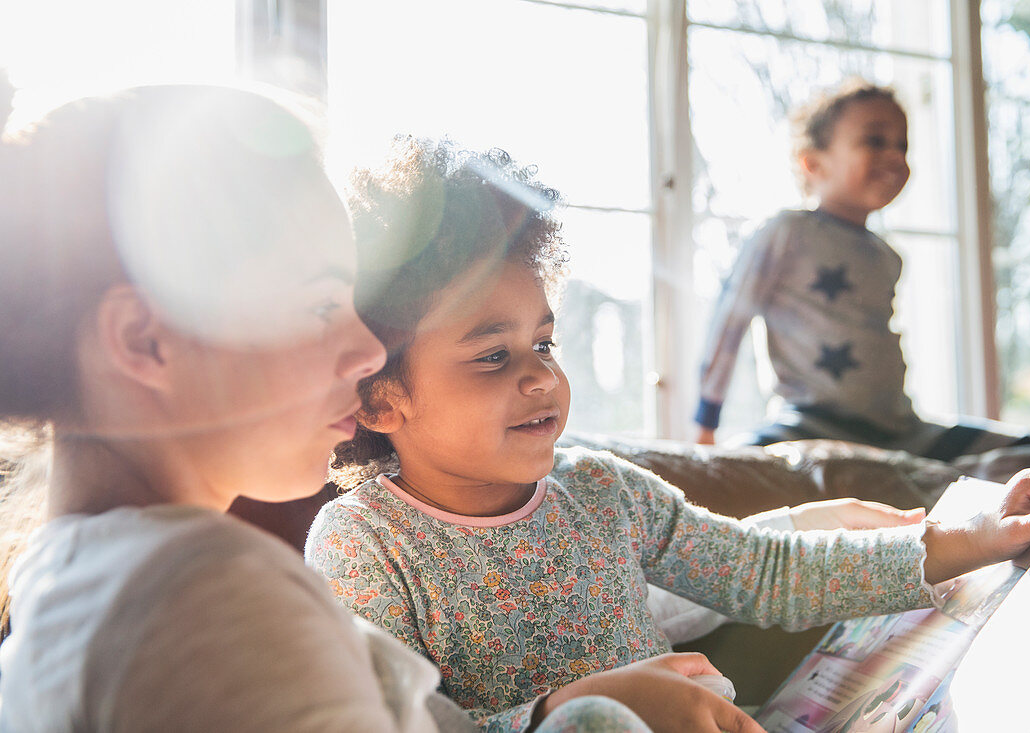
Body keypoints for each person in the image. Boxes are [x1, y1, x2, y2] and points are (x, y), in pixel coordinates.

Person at [305, 136, 1030, 733]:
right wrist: (572, 705)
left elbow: (766, 569)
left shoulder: (599, 487)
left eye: (543, 343)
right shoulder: (362, 542)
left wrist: (971, 535)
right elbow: (398, 724)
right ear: (378, 399)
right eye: (491, 355)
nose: (540, 376)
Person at [0, 84, 652, 733]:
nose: (370, 351)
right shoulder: (206, 600)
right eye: (319, 306)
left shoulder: (64, 582)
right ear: (144, 339)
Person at [693, 80, 1030, 460]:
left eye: (903, 145)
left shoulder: (885, 255)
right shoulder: (786, 232)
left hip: (902, 432)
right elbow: (729, 321)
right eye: (875, 141)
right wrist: (705, 425)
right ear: (813, 163)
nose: (895, 156)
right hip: (810, 424)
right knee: (736, 466)